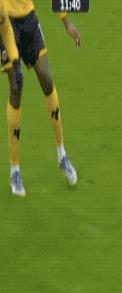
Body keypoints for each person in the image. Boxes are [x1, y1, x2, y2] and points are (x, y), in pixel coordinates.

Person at [0, 0, 80, 196]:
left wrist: (66, 22)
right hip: (4, 20)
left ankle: (62, 155)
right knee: (16, 87)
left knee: (46, 77)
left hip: (28, 19)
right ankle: (14, 170)